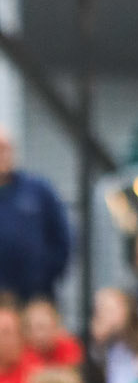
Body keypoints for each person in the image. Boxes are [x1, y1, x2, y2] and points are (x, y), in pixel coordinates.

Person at [0, 128, 71, 304]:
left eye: (4, 148)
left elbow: (63, 239)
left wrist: (44, 278)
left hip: (36, 297)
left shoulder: (38, 190)